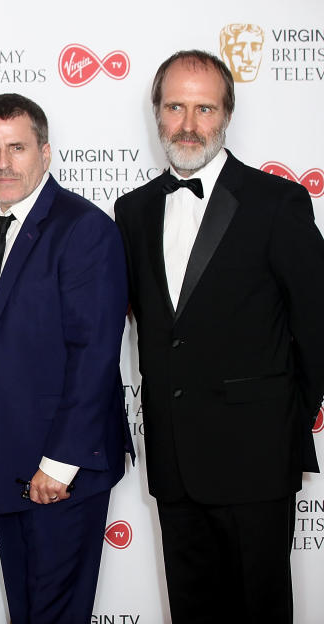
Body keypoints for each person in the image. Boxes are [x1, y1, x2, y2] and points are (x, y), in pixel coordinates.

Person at [114, 50, 324, 624]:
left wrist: (283, 418)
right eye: (175, 106)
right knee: (191, 609)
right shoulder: (130, 212)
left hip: (256, 458)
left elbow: (315, 324)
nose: (188, 124)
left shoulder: (276, 203)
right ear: (156, 113)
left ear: (226, 114)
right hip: (175, 462)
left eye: (204, 108)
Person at [0, 93, 131, 624]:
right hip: (11, 464)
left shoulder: (83, 228)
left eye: (16, 148)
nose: (3, 163)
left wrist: (58, 464)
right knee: (27, 613)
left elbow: (95, 354)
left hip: (59, 471)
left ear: (45, 151)